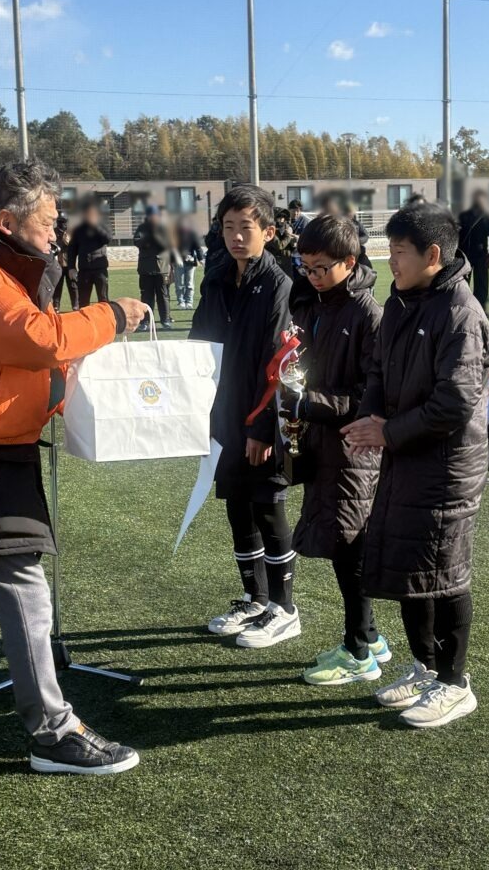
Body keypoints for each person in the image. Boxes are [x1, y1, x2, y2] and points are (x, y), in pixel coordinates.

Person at [0, 163, 149, 774]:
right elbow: (36, 340)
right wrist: (112, 316)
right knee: (23, 588)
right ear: (7, 222)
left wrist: (58, 390)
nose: (57, 232)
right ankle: (52, 732)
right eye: (48, 221)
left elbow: (19, 358)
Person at [343, 203, 489, 728]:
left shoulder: (461, 314)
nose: (391, 261)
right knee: (411, 566)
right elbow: (378, 371)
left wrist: (388, 432)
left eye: (399, 252)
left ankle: (455, 682)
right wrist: (370, 421)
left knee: (443, 571)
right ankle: (425, 668)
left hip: (447, 467)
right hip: (406, 457)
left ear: (433, 255)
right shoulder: (402, 302)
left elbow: (455, 403)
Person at [190, 185, 299, 648]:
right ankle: (255, 599)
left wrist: (261, 426)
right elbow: (198, 344)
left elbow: (276, 364)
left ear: (269, 232)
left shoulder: (279, 284)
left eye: (246, 228)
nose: (236, 236)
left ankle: (284, 608)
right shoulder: (216, 278)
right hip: (222, 414)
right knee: (237, 504)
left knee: (268, 506)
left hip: (260, 416)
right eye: (228, 227)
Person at [284, 214, 390, 685]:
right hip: (324, 443)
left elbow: (372, 394)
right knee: (343, 545)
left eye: (321, 268)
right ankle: (370, 636)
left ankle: (358, 651)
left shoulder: (367, 313)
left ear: (350, 261)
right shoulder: (315, 304)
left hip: (355, 451)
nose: (312, 276)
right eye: (305, 267)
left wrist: (310, 402)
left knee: (350, 548)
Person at [133, 205, 174, 330]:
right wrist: (149, 237)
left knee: (163, 295)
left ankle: (165, 320)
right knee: (146, 296)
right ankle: (145, 321)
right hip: (146, 268)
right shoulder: (142, 228)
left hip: (162, 268)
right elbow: (137, 242)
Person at [66, 199, 113, 307]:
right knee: (83, 300)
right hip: (84, 270)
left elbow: (108, 239)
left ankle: (105, 317)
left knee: (103, 299)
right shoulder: (79, 229)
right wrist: (71, 267)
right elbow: (72, 249)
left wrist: (95, 226)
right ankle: (84, 317)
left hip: (100, 269)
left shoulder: (103, 224)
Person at [458, 189, 489, 309]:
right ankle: (467, 307)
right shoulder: (464, 215)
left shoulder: (488, 216)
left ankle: (479, 308)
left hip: (479, 255)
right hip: (468, 255)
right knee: (465, 284)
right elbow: (458, 234)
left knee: (480, 285)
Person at [173, 217, 204, 310]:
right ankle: (181, 302)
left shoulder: (192, 234)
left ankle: (189, 302)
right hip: (178, 262)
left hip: (190, 262)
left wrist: (201, 259)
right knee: (180, 284)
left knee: (190, 284)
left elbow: (198, 248)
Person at [52, 210, 79, 312]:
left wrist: (68, 241)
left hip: (69, 263)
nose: (62, 225)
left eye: (64, 222)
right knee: (57, 286)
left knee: (73, 286)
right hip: (57, 263)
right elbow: (52, 245)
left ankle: (75, 305)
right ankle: (56, 306)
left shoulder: (71, 232)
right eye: (60, 222)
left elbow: (75, 246)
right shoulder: (54, 232)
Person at [266, 208, 298, 276]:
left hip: (287, 264)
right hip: (274, 265)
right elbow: (279, 245)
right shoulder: (270, 232)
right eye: (279, 218)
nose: (282, 220)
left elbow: (290, 249)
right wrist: (288, 235)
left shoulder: (286, 229)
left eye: (283, 218)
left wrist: (293, 243)